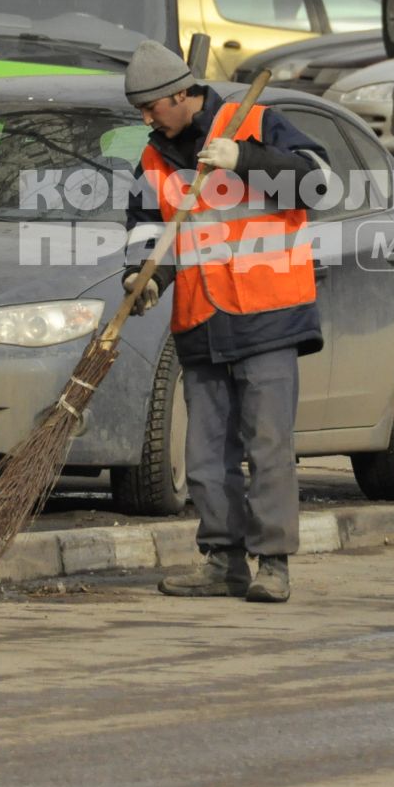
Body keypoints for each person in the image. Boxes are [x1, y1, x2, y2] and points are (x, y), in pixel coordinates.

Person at [122, 40, 326, 604]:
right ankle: (222, 562)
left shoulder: (256, 123)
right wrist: (143, 279)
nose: (145, 118)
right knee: (206, 457)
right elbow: (147, 230)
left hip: (268, 316)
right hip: (201, 319)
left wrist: (247, 160)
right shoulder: (154, 159)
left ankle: (274, 564)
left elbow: (318, 183)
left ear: (180, 94)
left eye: (150, 106)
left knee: (267, 447)